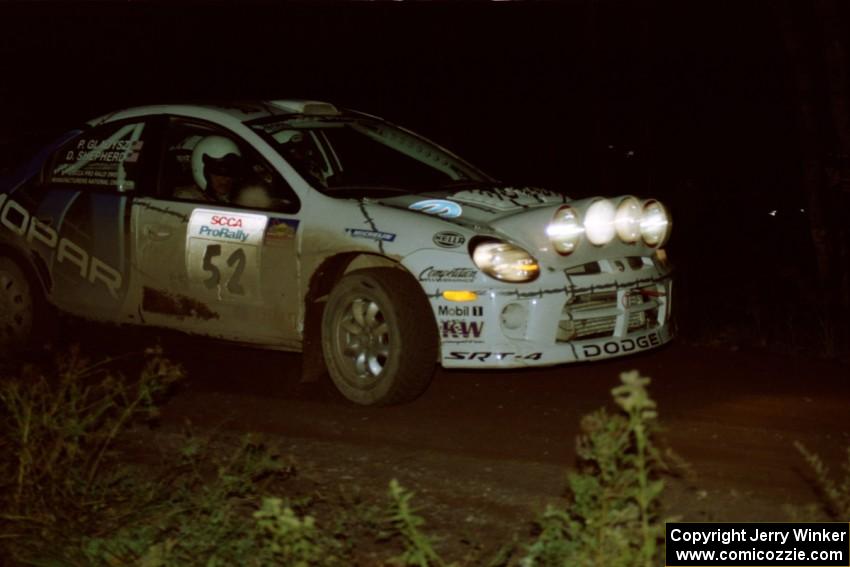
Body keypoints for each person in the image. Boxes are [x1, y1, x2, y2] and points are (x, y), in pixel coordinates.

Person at [184, 135, 244, 202]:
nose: (226, 179)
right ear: (205, 171)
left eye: (231, 172)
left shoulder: (239, 198)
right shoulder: (187, 198)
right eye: (218, 172)